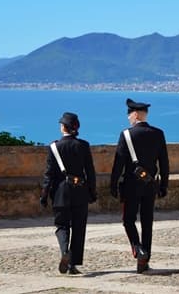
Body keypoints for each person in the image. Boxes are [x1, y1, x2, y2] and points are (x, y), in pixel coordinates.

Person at [110, 98, 169, 274]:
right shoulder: (158, 133)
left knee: (128, 220)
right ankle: (145, 260)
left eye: (129, 115)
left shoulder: (127, 135)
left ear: (135, 115)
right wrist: (164, 184)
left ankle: (138, 248)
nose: (128, 118)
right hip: (150, 184)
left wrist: (113, 185)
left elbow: (118, 163)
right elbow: (164, 163)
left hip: (131, 185)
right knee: (147, 222)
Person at [40, 112, 97, 275]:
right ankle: (73, 264)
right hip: (80, 192)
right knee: (79, 228)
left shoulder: (54, 147)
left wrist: (44, 195)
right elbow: (90, 173)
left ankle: (65, 251)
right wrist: (92, 192)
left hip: (60, 193)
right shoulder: (83, 146)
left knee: (62, 226)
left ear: (63, 127)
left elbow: (48, 174)